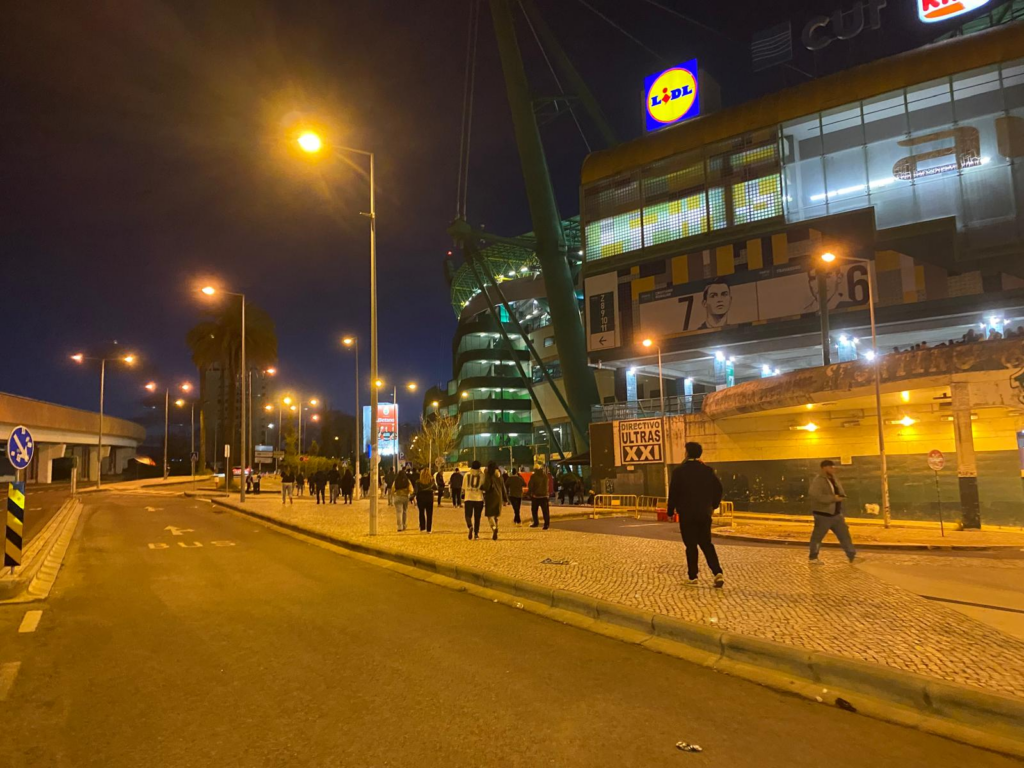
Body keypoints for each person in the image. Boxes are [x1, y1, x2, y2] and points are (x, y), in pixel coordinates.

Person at [667, 442, 725, 588]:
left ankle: (693, 576)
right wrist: (713, 505)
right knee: (706, 543)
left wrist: (670, 511)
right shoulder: (707, 470)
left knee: (691, 545)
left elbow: (673, 492)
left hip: (687, 514)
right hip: (704, 513)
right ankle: (717, 572)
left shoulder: (679, 472)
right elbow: (719, 489)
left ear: (687, 453)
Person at [808, 459, 857, 564]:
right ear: (824, 468)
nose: (833, 469)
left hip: (836, 514)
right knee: (818, 537)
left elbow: (839, 490)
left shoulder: (833, 478)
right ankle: (813, 557)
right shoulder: (818, 480)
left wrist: (842, 496)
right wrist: (833, 498)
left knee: (844, 535)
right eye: (831, 467)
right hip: (823, 514)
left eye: (833, 467)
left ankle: (852, 555)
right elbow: (815, 495)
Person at [481, 460, 507, 540]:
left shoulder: (489, 475)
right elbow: (503, 488)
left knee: (490, 515)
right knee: (496, 515)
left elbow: (487, 486)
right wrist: (505, 499)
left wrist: (481, 487)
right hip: (499, 498)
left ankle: (494, 528)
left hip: (491, 497)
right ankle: (496, 529)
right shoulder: (499, 476)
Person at [463, 461, 484, 539]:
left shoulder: (466, 475)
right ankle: (476, 533)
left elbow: (463, 488)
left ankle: (470, 526)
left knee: (468, 515)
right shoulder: (482, 476)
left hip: (468, 498)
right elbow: (484, 487)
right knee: (477, 517)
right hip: (479, 498)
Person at [528, 465, 551, 529]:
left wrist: (530, 493)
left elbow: (530, 485)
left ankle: (536, 522)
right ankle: (546, 524)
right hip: (544, 496)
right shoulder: (545, 476)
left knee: (534, 510)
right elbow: (547, 486)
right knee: (545, 511)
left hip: (536, 496)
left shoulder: (533, 476)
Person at [414, 468, 436, 532]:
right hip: (429, 498)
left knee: (421, 513)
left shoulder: (418, 482)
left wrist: (412, 497)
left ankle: (422, 527)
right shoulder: (431, 481)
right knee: (429, 514)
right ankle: (429, 529)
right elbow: (435, 488)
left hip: (420, 498)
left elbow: (416, 491)